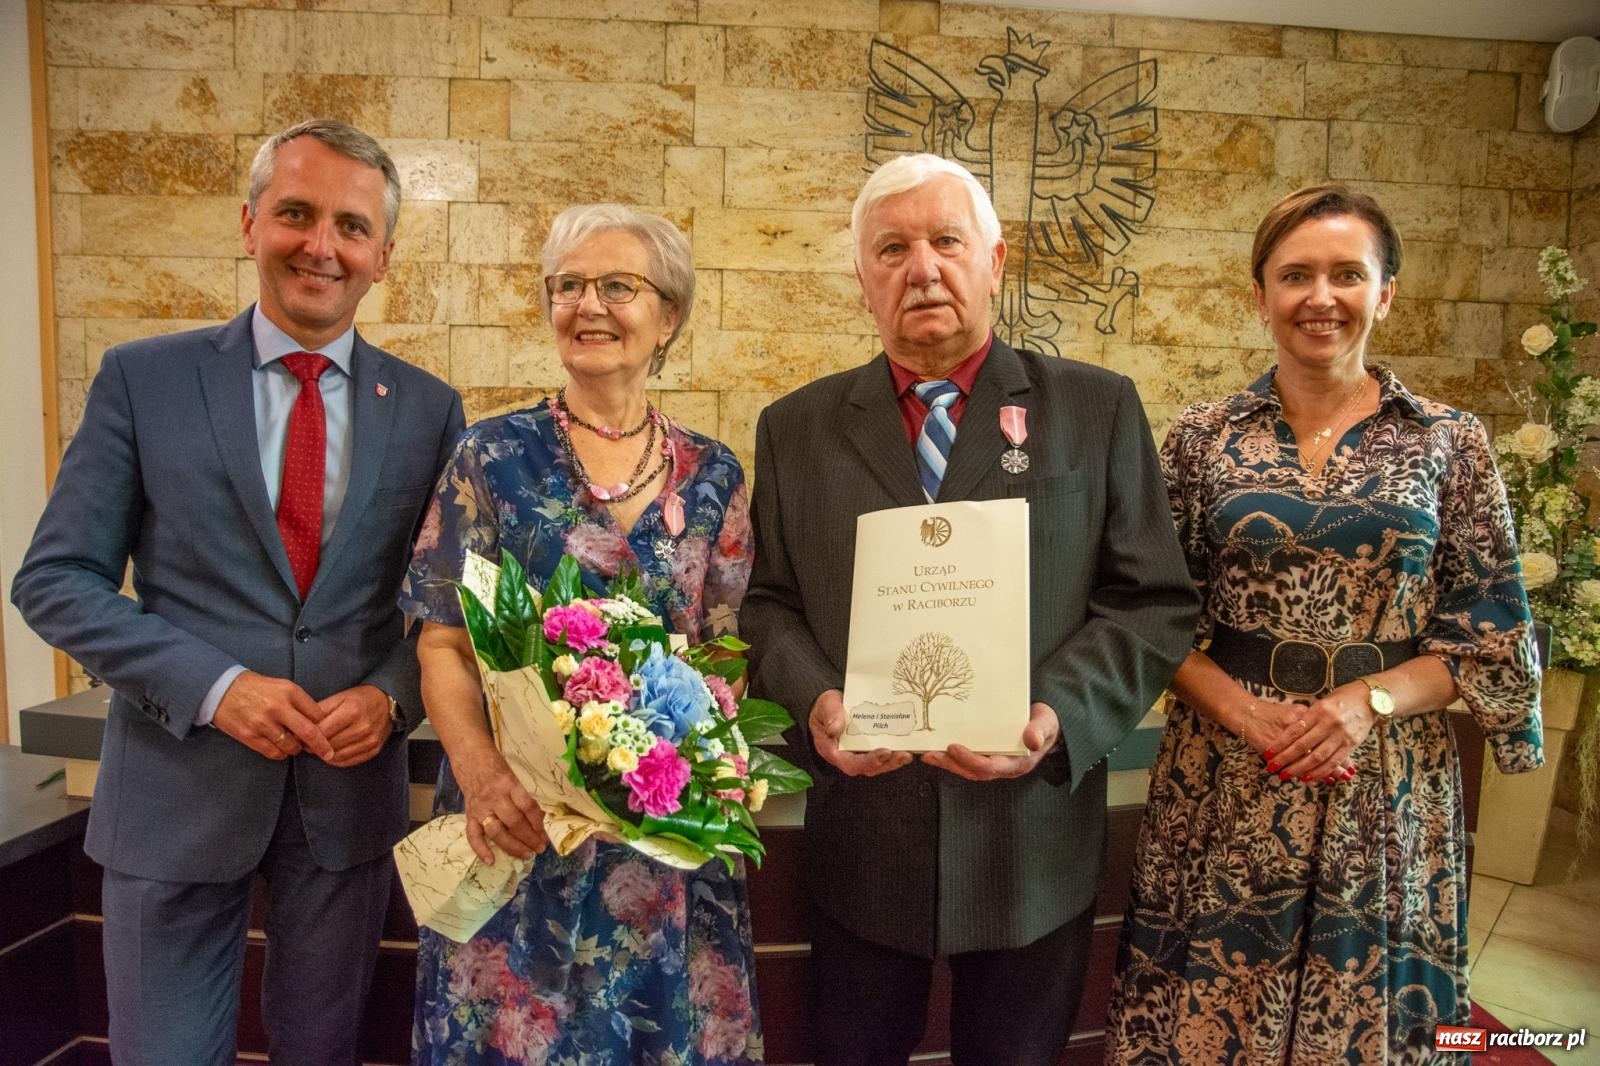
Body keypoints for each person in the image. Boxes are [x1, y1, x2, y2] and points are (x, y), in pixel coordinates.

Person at [10, 119, 464, 1064]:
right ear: (250, 223)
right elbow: (55, 579)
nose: (321, 245)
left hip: (343, 807)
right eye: (296, 213)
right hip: (174, 795)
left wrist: (390, 698)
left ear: (384, 255)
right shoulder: (145, 380)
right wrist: (217, 688)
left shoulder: (429, 410)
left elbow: (439, 607)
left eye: (350, 225)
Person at [738, 152, 1198, 1065]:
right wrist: (817, 703)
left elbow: (1152, 603)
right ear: (862, 278)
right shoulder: (797, 427)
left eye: (948, 241)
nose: (923, 268)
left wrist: (1054, 717)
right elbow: (767, 605)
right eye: (892, 248)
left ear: (995, 260)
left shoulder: (1097, 409)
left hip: (1031, 848)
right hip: (865, 845)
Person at [1103, 184, 1544, 1065]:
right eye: (1295, 274)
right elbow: (1146, 613)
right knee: (1210, 1010)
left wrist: (1363, 704)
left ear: (1385, 293)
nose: (1321, 297)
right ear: (1258, 293)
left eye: (1348, 274)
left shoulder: (1450, 442)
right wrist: (1246, 714)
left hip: (1381, 775)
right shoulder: (1199, 438)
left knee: (1366, 1019)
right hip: (1227, 770)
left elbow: (1490, 632)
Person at [400, 203, 760, 1064]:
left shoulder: (713, 474)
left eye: (617, 286)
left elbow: (724, 650)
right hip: (517, 833)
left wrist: (700, 762)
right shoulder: (489, 459)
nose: (588, 305)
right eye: (568, 286)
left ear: (667, 314)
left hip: (665, 855)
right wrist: (484, 776)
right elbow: (443, 641)